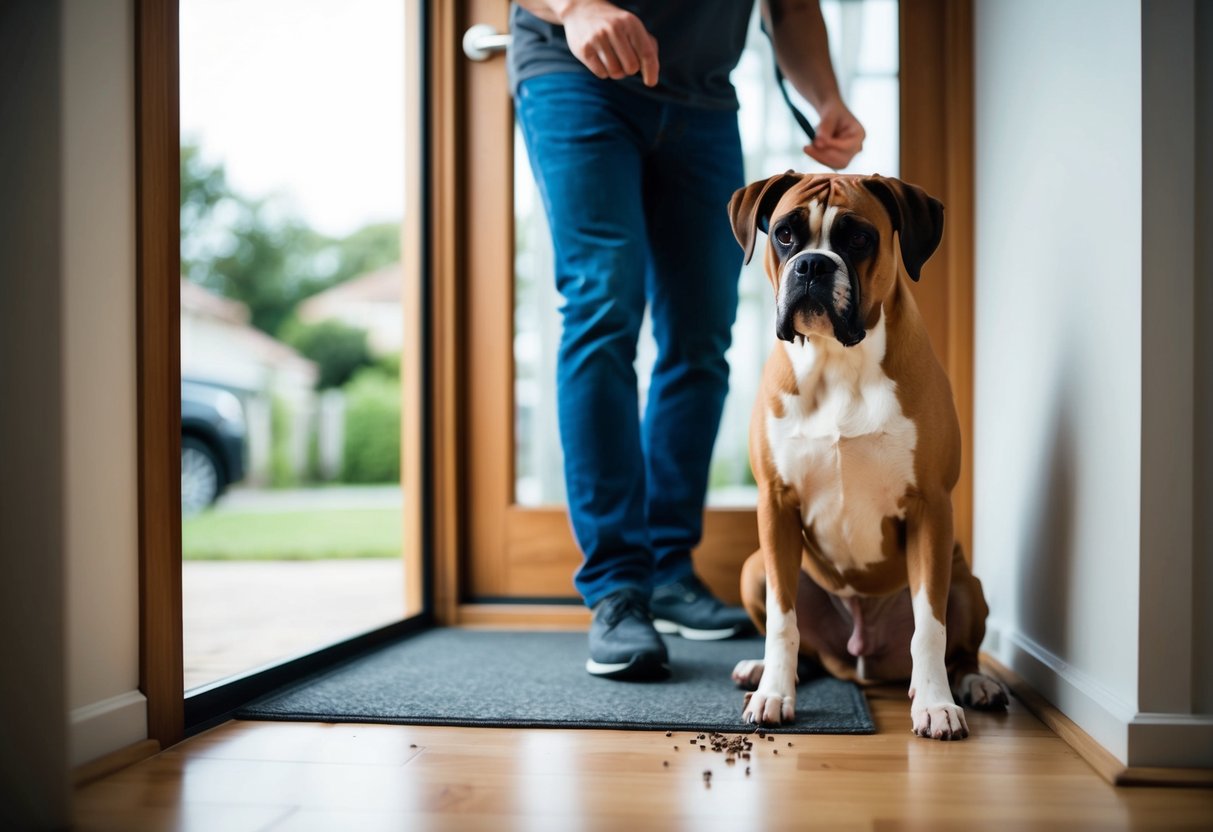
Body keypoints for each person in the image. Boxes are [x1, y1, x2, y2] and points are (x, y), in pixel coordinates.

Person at [509, 0, 865, 680]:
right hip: (575, 73)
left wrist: (826, 97)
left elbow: (789, 8)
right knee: (601, 304)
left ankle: (669, 572)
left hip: (702, 99)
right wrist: (574, 8)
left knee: (702, 332)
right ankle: (617, 589)